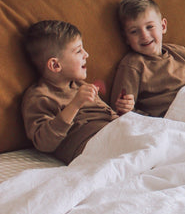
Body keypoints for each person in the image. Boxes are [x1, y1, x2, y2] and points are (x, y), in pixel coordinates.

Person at [21, 20, 119, 164]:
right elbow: (44, 143)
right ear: (55, 65)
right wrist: (75, 104)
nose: (86, 54)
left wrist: (124, 112)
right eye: (78, 51)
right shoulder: (39, 97)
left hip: (115, 130)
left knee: (161, 133)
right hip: (93, 144)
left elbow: (107, 115)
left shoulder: (79, 84)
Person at [111, 0, 185, 117]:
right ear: (126, 38)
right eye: (134, 31)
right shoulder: (133, 64)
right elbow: (122, 108)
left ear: (163, 26)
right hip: (172, 115)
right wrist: (126, 108)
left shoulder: (180, 52)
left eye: (149, 27)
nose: (144, 35)